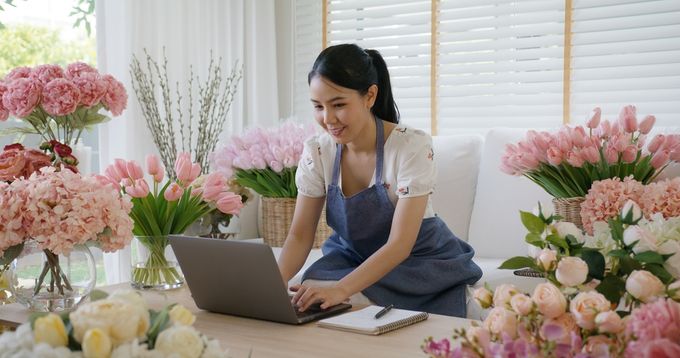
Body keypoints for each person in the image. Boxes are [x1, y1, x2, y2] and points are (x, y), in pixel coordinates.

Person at [277, 43, 482, 317]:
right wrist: (272, 284)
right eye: (318, 106)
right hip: (353, 257)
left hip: (416, 261)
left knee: (343, 298)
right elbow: (300, 235)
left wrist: (341, 288)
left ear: (370, 95)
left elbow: (400, 244)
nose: (328, 119)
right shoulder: (318, 151)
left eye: (338, 104)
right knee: (310, 293)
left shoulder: (412, 146)